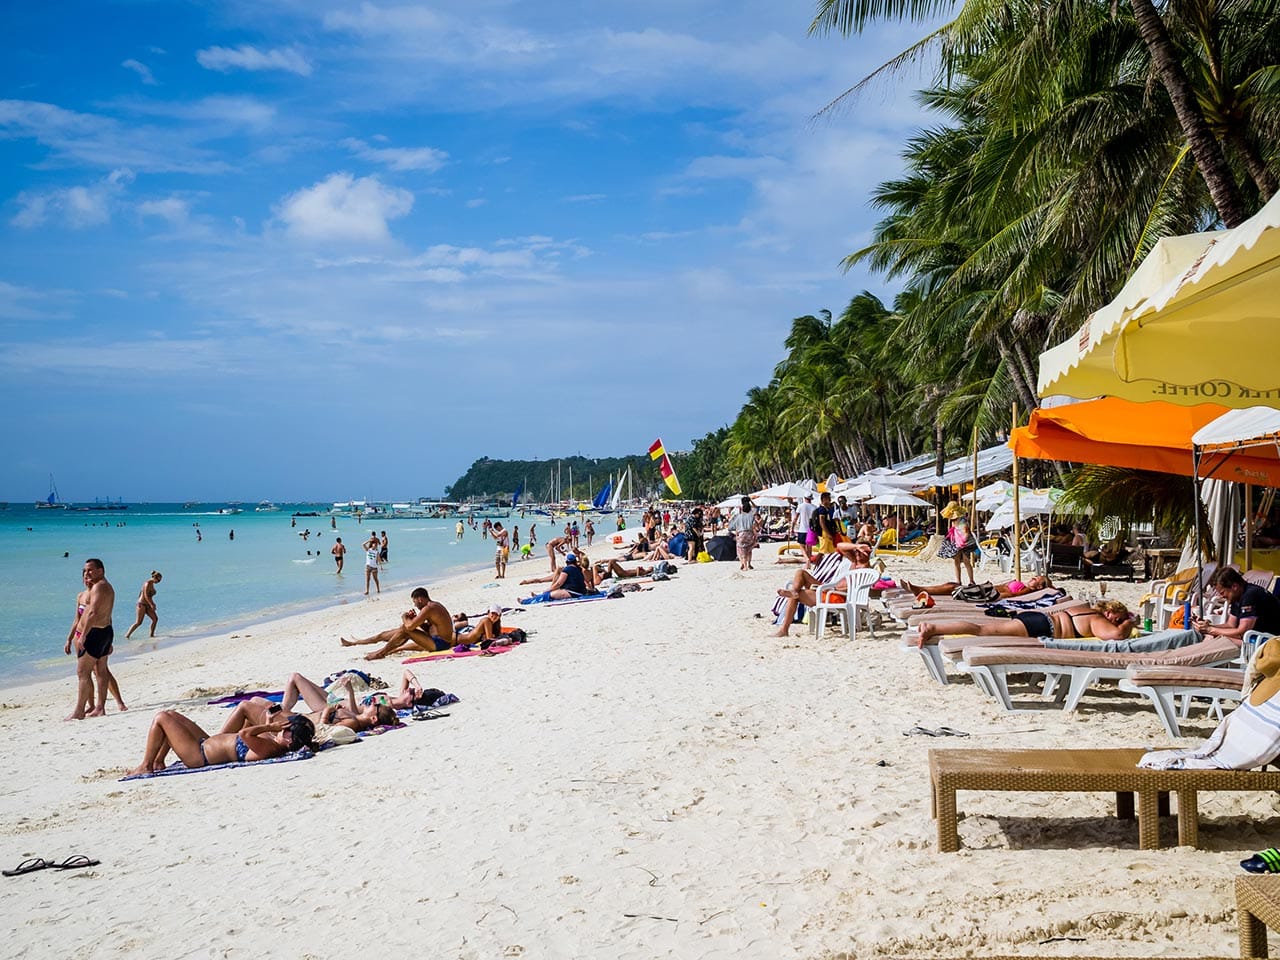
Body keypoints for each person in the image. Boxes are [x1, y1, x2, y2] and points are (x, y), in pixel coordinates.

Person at [127, 710, 314, 777]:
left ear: (289, 740)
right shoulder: (274, 744)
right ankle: (158, 761)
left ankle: (146, 765)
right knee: (172, 715)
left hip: (199, 755)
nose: (282, 729)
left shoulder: (270, 748)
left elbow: (244, 733)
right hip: (206, 743)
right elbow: (250, 732)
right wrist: (267, 720)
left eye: (286, 729)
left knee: (162, 718)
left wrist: (269, 726)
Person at [913, 599, 1136, 645]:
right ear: (1110, 613)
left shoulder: (1083, 608)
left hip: (1037, 618)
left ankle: (935, 626)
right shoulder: (1097, 619)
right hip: (1041, 626)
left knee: (983, 629)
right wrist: (1129, 623)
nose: (1117, 623)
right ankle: (934, 627)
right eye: (1117, 618)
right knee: (982, 630)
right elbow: (1116, 636)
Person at [65, 563, 126, 718]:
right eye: (84, 571)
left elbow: (93, 613)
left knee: (83, 672)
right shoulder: (87, 593)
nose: (86, 574)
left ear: (101, 571)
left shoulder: (100, 587)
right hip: (99, 632)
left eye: (90, 570)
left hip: (94, 633)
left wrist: (84, 635)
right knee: (99, 670)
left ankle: (80, 710)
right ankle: (97, 707)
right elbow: (79, 618)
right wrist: (69, 638)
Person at [772, 548, 873, 637]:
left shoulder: (864, 569)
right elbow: (840, 547)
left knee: (796, 596)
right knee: (800, 572)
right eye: (856, 551)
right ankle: (794, 591)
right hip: (829, 589)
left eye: (861, 551)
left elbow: (850, 589)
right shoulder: (854, 563)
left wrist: (830, 589)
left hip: (835, 596)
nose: (858, 553)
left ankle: (784, 629)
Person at [340, 586, 453, 659]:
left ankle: (380, 653)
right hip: (436, 640)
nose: (415, 605)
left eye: (415, 602)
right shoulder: (433, 606)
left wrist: (404, 617)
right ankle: (357, 642)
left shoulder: (428, 608)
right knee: (392, 632)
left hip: (440, 644)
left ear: (420, 599)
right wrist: (414, 619)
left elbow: (409, 626)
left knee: (404, 628)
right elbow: (431, 629)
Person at [1196, 567, 1280, 640]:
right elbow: (1230, 625)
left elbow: (1241, 633)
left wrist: (1211, 630)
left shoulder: (1250, 595)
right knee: (1208, 636)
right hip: (1252, 637)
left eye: (1222, 592)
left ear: (1234, 587)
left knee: (1212, 638)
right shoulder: (1238, 596)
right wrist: (1208, 627)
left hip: (1266, 640)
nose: (1221, 596)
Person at [896, 574, 1052, 599]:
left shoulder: (1027, 591)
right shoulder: (1023, 585)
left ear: (1039, 587)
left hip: (987, 594)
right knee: (953, 585)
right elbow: (1002, 586)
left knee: (953, 588)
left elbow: (1010, 596)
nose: (1034, 577)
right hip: (985, 588)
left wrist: (991, 596)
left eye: (1037, 579)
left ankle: (919, 590)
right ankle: (920, 588)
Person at [940, 500, 979, 585]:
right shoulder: (954, 520)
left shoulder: (962, 520)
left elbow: (966, 533)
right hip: (957, 541)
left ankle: (971, 580)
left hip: (965, 542)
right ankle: (958, 581)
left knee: (966, 561)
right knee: (956, 561)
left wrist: (962, 543)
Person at [124, 570, 163, 639]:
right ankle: (127, 635)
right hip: (141, 604)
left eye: (160, 581)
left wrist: (151, 604)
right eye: (158, 580)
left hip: (147, 605)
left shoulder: (152, 584)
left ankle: (151, 635)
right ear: (154, 578)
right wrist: (151, 604)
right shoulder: (147, 583)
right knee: (139, 622)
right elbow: (145, 595)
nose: (159, 582)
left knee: (155, 619)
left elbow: (147, 596)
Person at [727, 496, 760, 571]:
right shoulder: (751, 516)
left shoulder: (738, 516)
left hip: (741, 534)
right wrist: (750, 500)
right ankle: (749, 564)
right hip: (750, 534)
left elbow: (731, 526)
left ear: (742, 508)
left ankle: (744, 565)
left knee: (742, 550)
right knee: (749, 549)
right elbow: (756, 507)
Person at [796, 493, 818, 560]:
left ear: (804, 498)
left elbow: (795, 518)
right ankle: (809, 559)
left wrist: (792, 527)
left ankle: (806, 558)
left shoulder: (801, 506)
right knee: (809, 546)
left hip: (802, 529)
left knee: (801, 546)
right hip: (811, 529)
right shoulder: (814, 507)